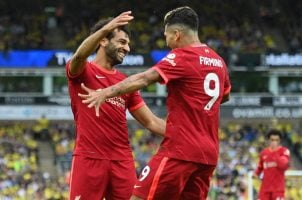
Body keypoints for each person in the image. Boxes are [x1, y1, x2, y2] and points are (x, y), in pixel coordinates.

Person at [79, 6, 231, 199]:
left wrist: (105, 93)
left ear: (176, 34)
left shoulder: (183, 56)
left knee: (138, 197)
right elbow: (224, 96)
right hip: (209, 155)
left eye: (167, 36)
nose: (167, 42)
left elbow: (144, 78)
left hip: (180, 150)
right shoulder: (219, 62)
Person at [66, 11, 166, 200]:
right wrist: (106, 28)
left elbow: (151, 122)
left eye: (128, 43)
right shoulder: (83, 71)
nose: (127, 48)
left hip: (123, 161)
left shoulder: (124, 83)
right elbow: (79, 56)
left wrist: (187, 136)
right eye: (122, 42)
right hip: (89, 159)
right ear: (103, 40)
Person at [253, 129, 290, 200]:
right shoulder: (264, 153)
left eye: (277, 140)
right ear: (268, 140)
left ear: (280, 141)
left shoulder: (284, 151)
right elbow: (260, 167)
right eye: (272, 140)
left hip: (278, 190)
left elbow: (283, 166)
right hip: (265, 190)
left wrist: (275, 152)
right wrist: (256, 173)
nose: (274, 142)